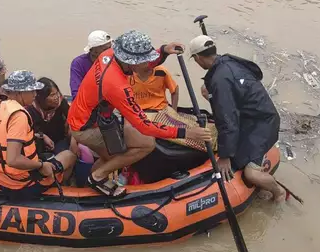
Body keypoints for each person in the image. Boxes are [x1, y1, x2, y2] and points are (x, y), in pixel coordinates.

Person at [67, 31, 211, 197]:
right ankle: (96, 178)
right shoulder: (117, 86)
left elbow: (140, 64)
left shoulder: (109, 54)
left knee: (111, 158)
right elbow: (145, 126)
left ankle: (89, 185)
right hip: (86, 127)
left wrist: (163, 50)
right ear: (131, 63)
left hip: (89, 117)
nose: (149, 64)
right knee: (142, 146)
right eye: (145, 61)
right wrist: (185, 132)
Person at [189, 35, 286, 202]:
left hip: (261, 123)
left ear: (198, 58)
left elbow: (228, 119)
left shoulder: (221, 81)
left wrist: (225, 155)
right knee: (206, 90)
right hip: (253, 114)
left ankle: (278, 192)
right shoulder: (228, 61)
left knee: (250, 173)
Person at [0, 70, 77, 199]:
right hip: (22, 185)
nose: (35, 95)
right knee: (69, 155)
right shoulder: (19, 115)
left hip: (1, 178)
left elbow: (5, 134)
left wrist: (39, 136)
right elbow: (13, 159)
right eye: (32, 91)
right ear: (19, 93)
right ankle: (59, 186)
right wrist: (41, 165)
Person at [25, 77, 78, 156]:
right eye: (52, 95)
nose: (57, 97)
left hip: (59, 141)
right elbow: (27, 132)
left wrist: (73, 139)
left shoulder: (61, 103)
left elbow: (73, 119)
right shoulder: (30, 110)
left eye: (57, 93)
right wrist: (43, 136)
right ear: (41, 98)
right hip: (38, 145)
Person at [70, 30, 113, 98]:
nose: (110, 51)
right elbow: (76, 92)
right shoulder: (78, 63)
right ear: (94, 50)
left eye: (110, 47)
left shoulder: (112, 60)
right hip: (85, 102)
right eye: (106, 49)